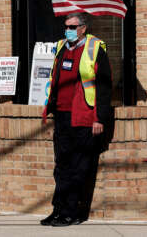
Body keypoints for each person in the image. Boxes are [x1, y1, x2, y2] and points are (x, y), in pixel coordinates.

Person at [41, 13, 112, 226]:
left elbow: (104, 86)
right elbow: (56, 78)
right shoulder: (62, 46)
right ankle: (58, 209)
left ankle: (71, 212)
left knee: (78, 166)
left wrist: (99, 118)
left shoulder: (95, 47)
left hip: (84, 116)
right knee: (61, 165)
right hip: (62, 115)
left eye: (72, 26)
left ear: (83, 28)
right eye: (66, 26)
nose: (68, 30)